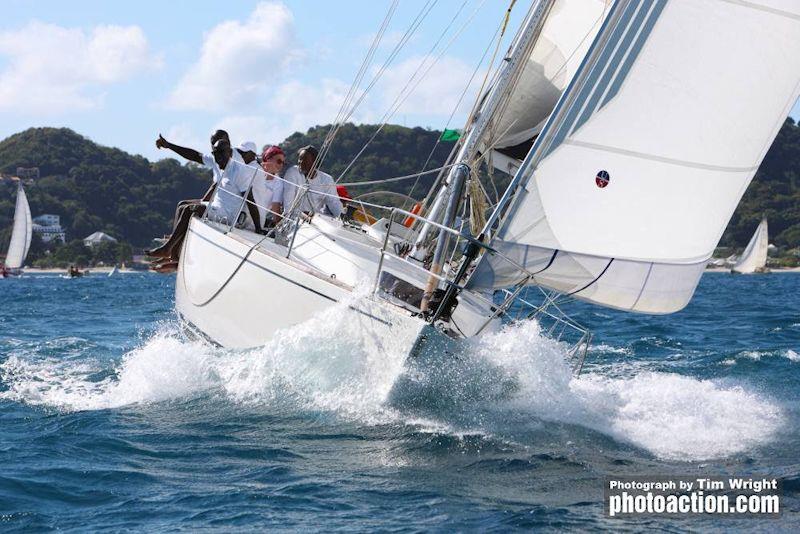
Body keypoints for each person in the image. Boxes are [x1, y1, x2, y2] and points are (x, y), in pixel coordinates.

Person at [281, 145, 343, 218]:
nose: (300, 162)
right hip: (293, 219)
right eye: (299, 159)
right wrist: (303, 216)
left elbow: (334, 202)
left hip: (316, 220)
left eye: (304, 159)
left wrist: (341, 217)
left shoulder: (327, 179)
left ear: (315, 162)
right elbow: (288, 205)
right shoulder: (292, 172)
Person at [251, 145, 286, 228]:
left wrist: (279, 228)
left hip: (257, 222)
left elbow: (275, 208)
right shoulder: (254, 170)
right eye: (279, 161)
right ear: (268, 159)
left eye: (283, 163)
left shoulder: (279, 183)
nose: (281, 165)